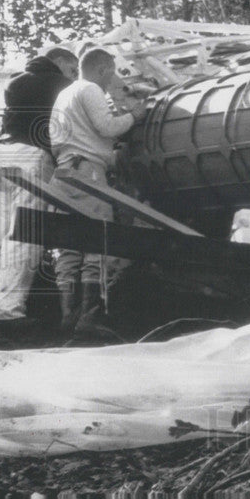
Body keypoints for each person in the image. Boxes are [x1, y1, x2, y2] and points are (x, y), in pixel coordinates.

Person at [0, 47, 79, 344]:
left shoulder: (16, 80)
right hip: (29, 158)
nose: (74, 77)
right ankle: (8, 312)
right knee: (24, 236)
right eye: (73, 70)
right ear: (63, 65)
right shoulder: (60, 84)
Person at [49, 48, 146, 339]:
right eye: (112, 72)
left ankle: (68, 316)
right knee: (96, 240)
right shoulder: (90, 89)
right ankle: (89, 319)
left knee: (69, 246)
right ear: (103, 69)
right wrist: (134, 116)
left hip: (64, 172)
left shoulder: (65, 94)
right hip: (87, 172)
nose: (112, 79)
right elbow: (107, 127)